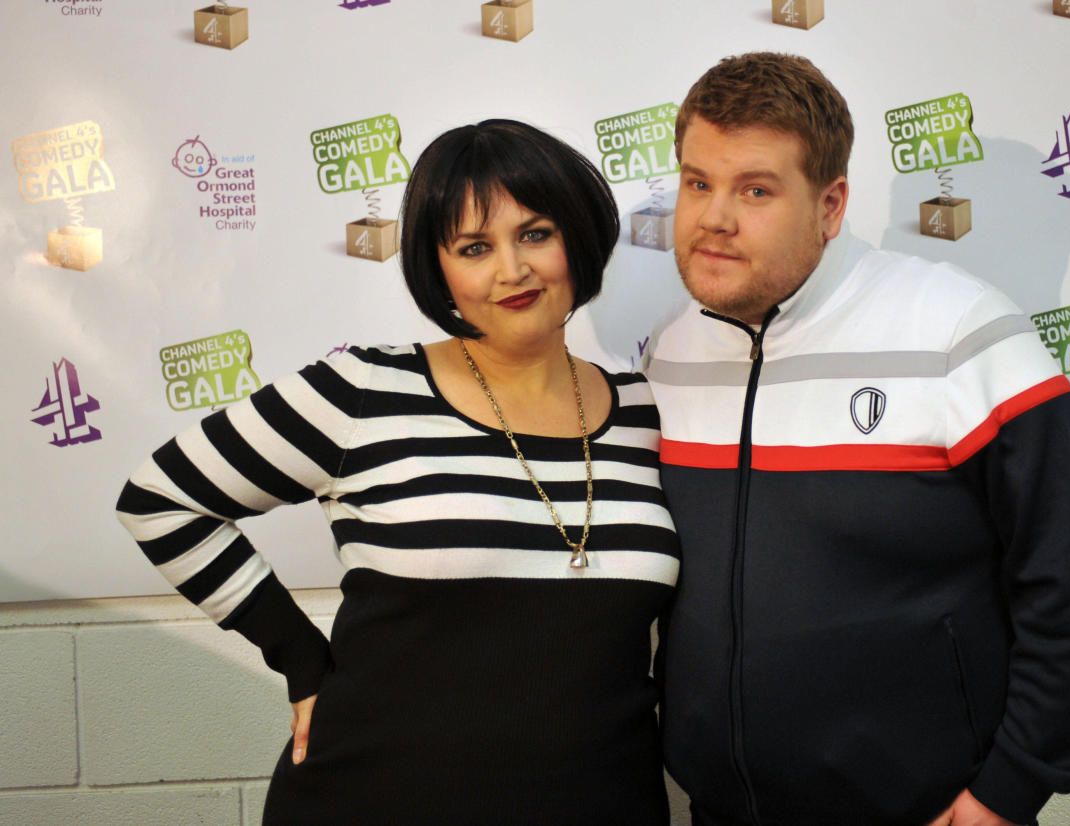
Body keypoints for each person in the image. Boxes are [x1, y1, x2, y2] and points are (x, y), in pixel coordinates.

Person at [115, 119, 679, 825]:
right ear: (436, 267)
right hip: (371, 798)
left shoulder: (644, 409)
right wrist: (300, 661)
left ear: (580, 236)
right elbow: (160, 500)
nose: (512, 269)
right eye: (474, 247)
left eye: (535, 233)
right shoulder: (364, 389)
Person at [645, 53, 1070, 826]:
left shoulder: (961, 333)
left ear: (830, 205)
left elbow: (1068, 583)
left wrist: (1007, 791)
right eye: (698, 183)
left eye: (755, 190)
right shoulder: (668, 351)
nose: (713, 219)